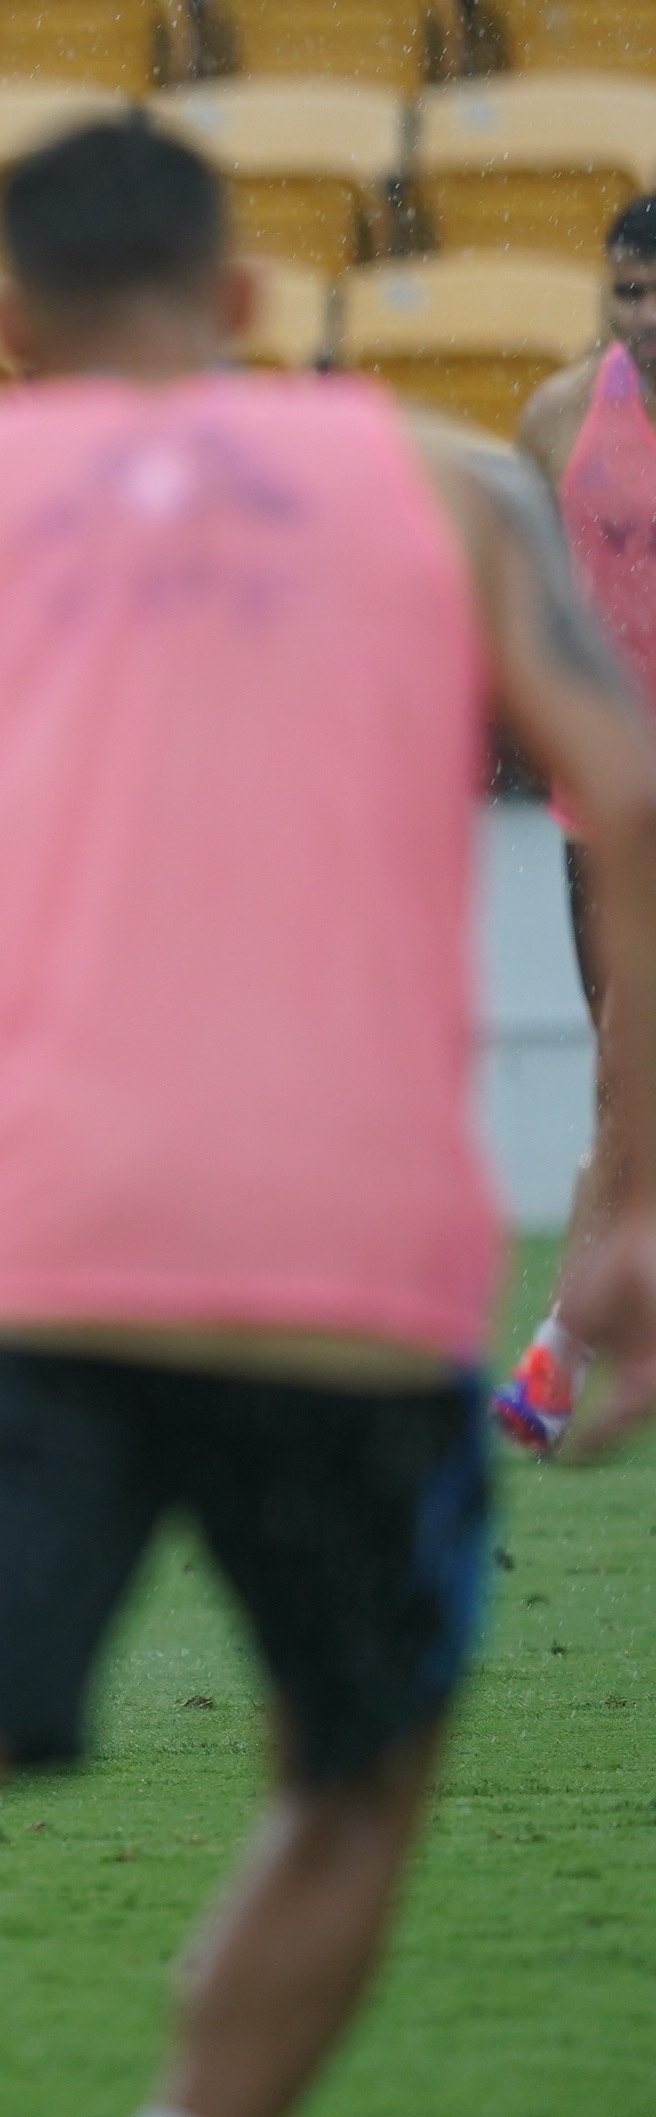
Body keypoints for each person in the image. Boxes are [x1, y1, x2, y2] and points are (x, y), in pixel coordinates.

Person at [0, 118, 656, 2117]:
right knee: (351, 1783)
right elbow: (628, 796)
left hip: (7, 1257)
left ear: (7, 328)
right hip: (352, 1271)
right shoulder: (449, 487)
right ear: (245, 305)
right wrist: (630, 1206)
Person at [489, 191, 656, 1454]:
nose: (644, 317)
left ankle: (557, 1348)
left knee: (625, 1067)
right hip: (604, 797)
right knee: (623, 1074)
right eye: (627, 293)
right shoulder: (560, 418)